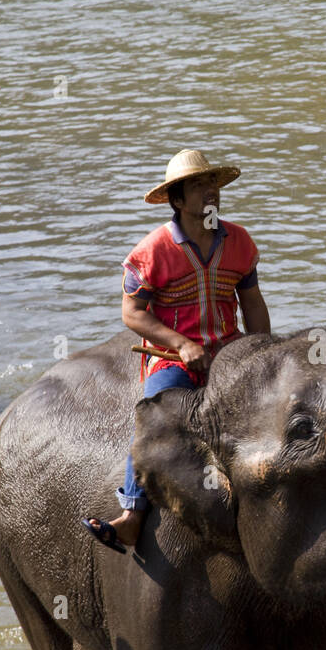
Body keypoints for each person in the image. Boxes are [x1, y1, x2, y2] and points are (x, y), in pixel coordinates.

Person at [83, 149, 271, 554]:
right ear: (179, 201)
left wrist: (261, 350)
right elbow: (132, 313)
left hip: (228, 350)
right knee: (155, 413)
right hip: (174, 358)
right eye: (199, 187)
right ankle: (131, 514)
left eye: (213, 185)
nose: (210, 193)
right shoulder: (152, 252)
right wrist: (181, 344)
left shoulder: (238, 241)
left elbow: (252, 302)